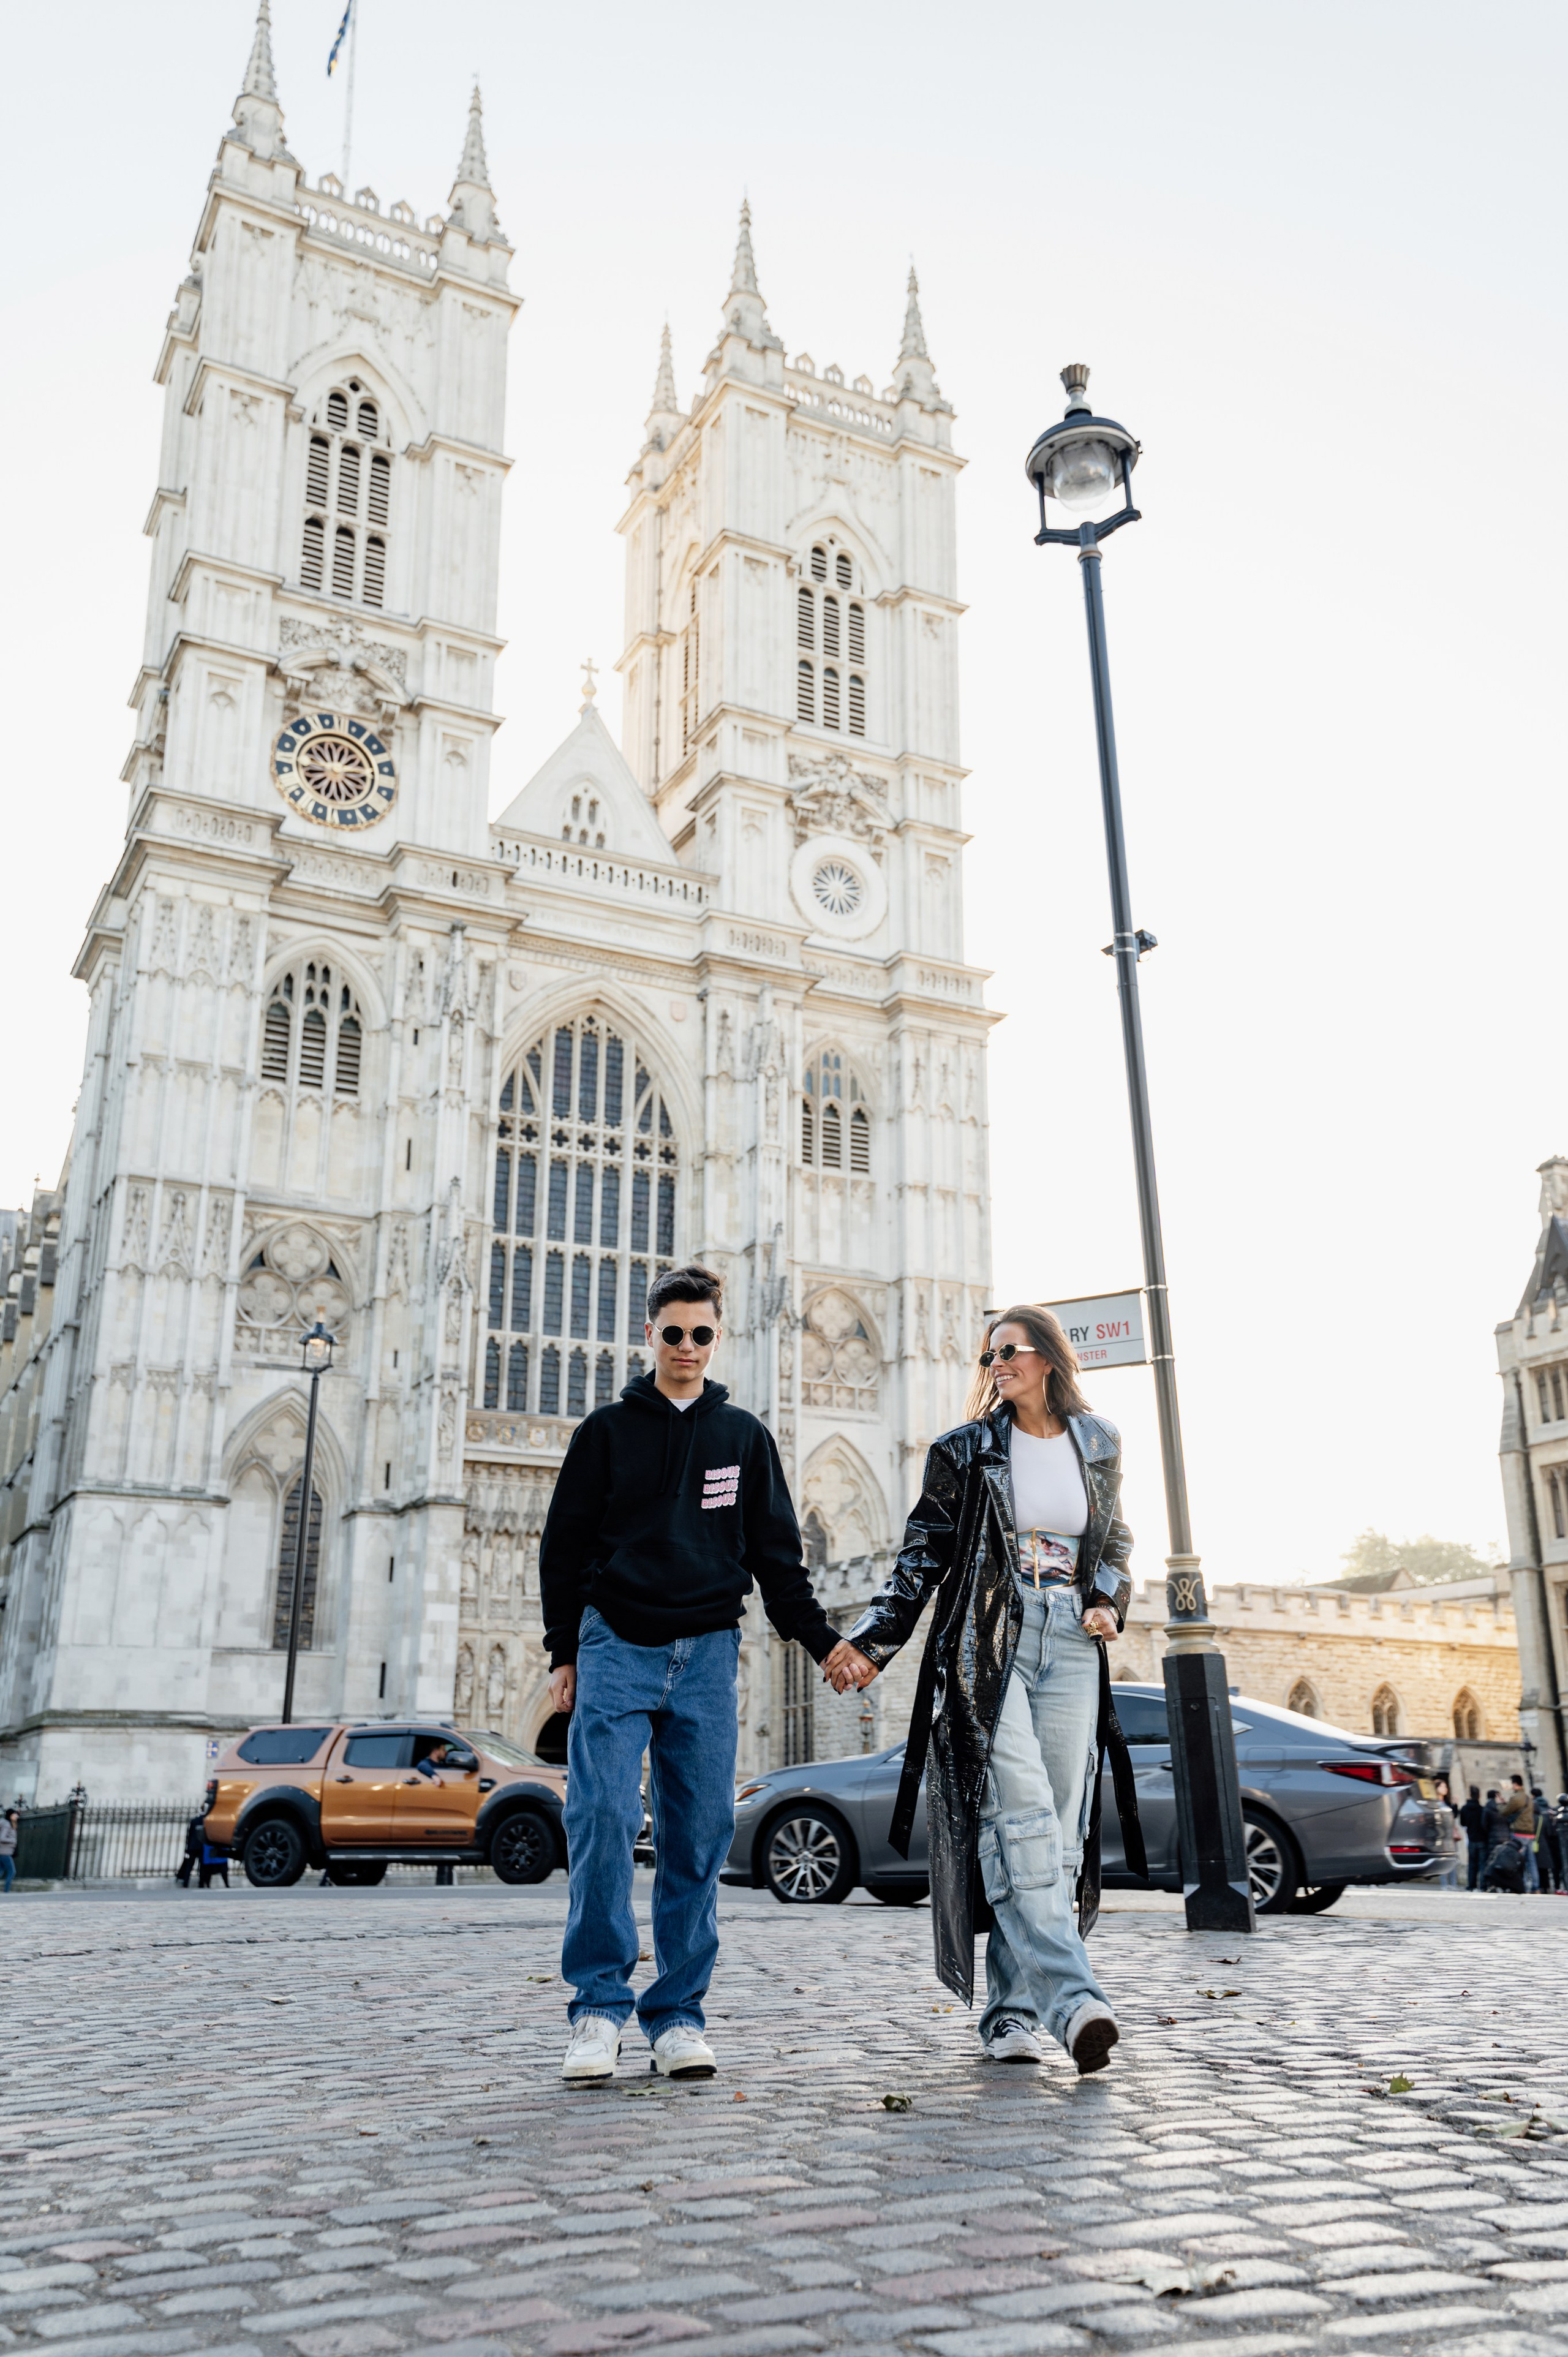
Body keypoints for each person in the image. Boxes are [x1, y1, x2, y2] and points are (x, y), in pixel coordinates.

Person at [820, 1305, 1144, 2076]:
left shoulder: (1098, 1440)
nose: (994, 1363)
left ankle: (1010, 2015)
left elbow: (1117, 1540)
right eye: (987, 1354)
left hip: (1071, 1639)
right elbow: (919, 1559)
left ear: (1047, 1359)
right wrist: (870, 1642)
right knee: (1023, 1813)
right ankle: (1075, 2003)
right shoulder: (963, 1450)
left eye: (1009, 1350)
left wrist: (1106, 1595)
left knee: (1057, 1835)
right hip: (988, 1642)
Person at [540, 1264, 843, 2086]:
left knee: (700, 1831)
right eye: (672, 1332)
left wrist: (823, 1645)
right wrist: (563, 1653)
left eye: (700, 1333)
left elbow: (779, 1559)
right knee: (601, 1815)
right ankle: (598, 2010)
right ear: (650, 1335)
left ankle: (676, 2016)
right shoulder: (606, 1431)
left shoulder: (742, 1437)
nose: (685, 1346)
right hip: (617, 1644)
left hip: (708, 1651)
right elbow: (563, 1548)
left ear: (718, 1337)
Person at [1502, 1774, 1539, 1892]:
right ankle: (1535, 1886)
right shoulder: (1528, 1798)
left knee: (1519, 1861)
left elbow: (1505, 1812)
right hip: (1530, 1834)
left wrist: (1500, 1804)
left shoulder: (1516, 1798)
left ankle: (1522, 1885)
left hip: (1519, 1834)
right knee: (1532, 1862)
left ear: (1515, 1784)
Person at [1458, 1785, 1487, 1891]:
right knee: (1482, 1864)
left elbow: (1462, 1823)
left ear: (1470, 1795)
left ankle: (1471, 1885)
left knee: (1472, 1863)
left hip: (1471, 1839)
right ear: (1479, 1796)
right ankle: (1482, 1885)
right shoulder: (1482, 1809)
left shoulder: (1465, 1809)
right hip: (1482, 1839)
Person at [0, 1809, 18, 1894]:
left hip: (4, 1852)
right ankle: (7, 1891)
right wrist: (13, 1840)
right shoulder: (7, 1825)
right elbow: (2, 1838)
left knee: (1, 1871)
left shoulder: (9, 1824)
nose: (17, 1816)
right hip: (5, 1853)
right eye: (15, 1815)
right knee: (12, 1871)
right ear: (11, 1815)